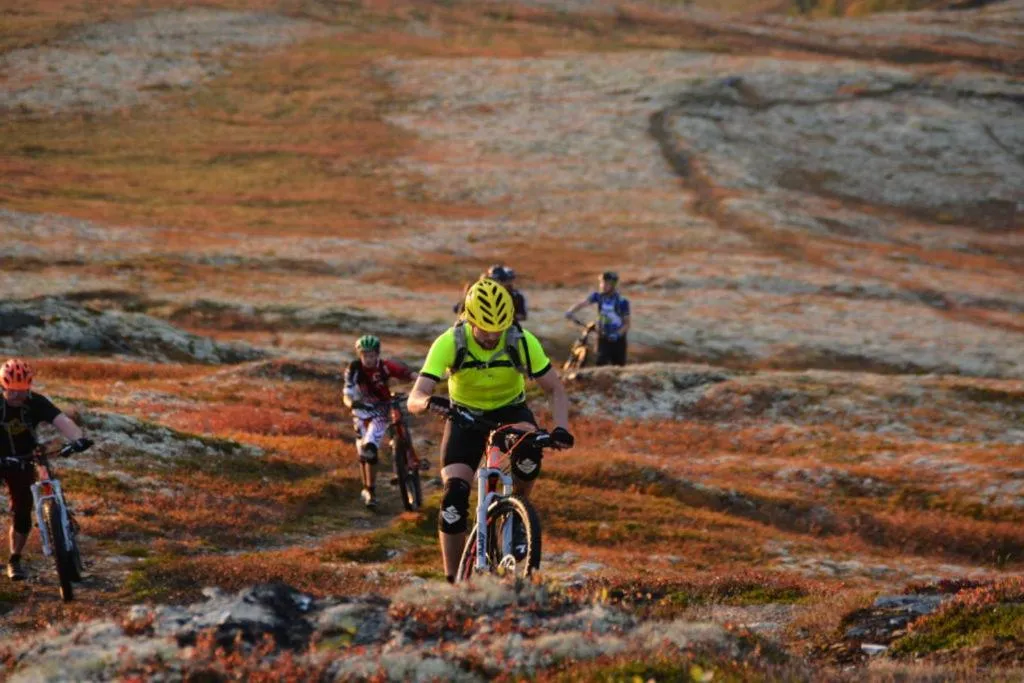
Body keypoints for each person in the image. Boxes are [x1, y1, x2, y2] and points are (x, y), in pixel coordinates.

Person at [408, 277, 574, 583]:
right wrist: (429, 401)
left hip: (510, 410)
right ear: (469, 319)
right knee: (454, 499)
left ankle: (519, 512)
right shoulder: (450, 342)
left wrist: (561, 427)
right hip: (464, 417)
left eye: (499, 328)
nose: (492, 336)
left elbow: (555, 389)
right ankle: (455, 581)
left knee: (530, 449)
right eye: (485, 328)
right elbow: (414, 398)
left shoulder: (522, 341)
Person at [1, 359, 92, 581]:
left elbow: (61, 421)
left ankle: (15, 559)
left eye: (21, 391)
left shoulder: (35, 402)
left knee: (22, 512)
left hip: (24, 458)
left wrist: (78, 439)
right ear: (2, 386)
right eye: (11, 391)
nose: (16, 396)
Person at [342, 335, 418, 509]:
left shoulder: (385, 366)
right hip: (361, 411)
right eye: (365, 355)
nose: (368, 359)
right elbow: (347, 392)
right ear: (360, 355)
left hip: (381, 410)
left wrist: (423, 379)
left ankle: (400, 458)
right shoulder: (354, 369)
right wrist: (350, 403)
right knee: (365, 455)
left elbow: (405, 373)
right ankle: (370, 490)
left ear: (377, 354)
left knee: (371, 444)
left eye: (371, 355)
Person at [564, 271, 631, 366]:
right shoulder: (598, 296)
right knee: (600, 363)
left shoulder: (622, 302)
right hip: (602, 337)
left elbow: (627, 324)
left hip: (618, 340)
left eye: (606, 283)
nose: (603, 286)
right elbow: (583, 303)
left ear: (613, 285)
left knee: (618, 366)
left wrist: (617, 334)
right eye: (601, 282)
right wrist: (570, 311)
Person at [452, 264, 528, 322]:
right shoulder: (480, 292)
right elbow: (458, 309)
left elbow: (523, 315)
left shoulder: (515, 296)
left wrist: (506, 316)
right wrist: (467, 296)